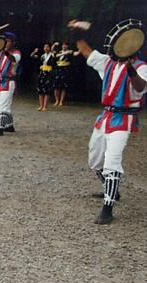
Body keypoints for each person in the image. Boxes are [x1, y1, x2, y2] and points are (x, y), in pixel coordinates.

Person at [70, 20, 147, 224]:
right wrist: (78, 32)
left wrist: (130, 69)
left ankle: (108, 206)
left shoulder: (142, 67)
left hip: (124, 119)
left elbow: (140, 88)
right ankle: (110, 190)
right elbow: (85, 50)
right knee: (95, 160)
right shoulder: (109, 63)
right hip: (105, 117)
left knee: (112, 161)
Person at [0, 30, 21, 136]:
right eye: (5, 41)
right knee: (3, 105)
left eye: (7, 41)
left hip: (9, 82)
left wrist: (5, 51)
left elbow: (13, 59)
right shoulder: (2, 53)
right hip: (0, 81)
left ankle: (0, 128)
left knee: (3, 106)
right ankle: (10, 125)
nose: (6, 43)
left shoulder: (16, 53)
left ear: (13, 42)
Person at [53, 41, 80, 107]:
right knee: (56, 86)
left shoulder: (70, 52)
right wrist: (54, 45)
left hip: (65, 70)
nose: (64, 46)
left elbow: (76, 53)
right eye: (63, 45)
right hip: (58, 69)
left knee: (63, 86)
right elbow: (54, 54)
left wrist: (80, 49)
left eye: (65, 45)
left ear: (68, 46)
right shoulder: (59, 52)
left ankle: (61, 101)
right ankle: (57, 100)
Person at [30, 43, 55, 111]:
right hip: (42, 73)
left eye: (47, 47)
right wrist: (34, 52)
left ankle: (45, 106)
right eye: (45, 47)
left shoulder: (52, 55)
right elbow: (32, 56)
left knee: (46, 90)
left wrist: (53, 48)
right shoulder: (42, 56)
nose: (46, 48)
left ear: (50, 48)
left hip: (48, 73)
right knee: (40, 89)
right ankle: (41, 105)